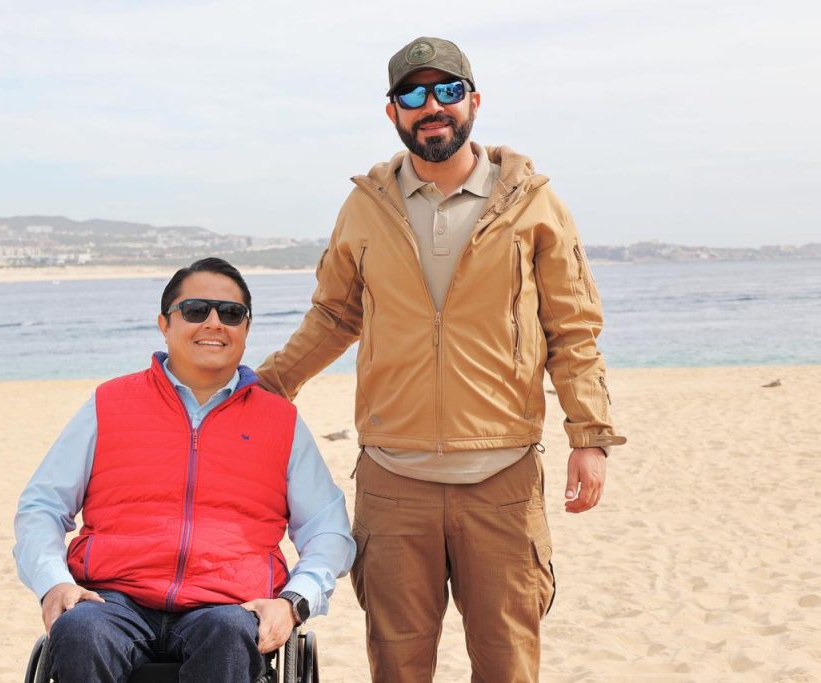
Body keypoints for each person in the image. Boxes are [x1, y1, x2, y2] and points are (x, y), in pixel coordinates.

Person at [256, 37, 626, 682]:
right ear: (393, 112)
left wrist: (589, 435)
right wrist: (264, 389)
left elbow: (571, 329)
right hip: (393, 482)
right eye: (413, 94)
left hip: (502, 478)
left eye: (448, 91)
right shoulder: (366, 206)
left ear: (474, 101)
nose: (432, 106)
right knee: (397, 667)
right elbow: (335, 316)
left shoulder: (533, 202)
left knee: (508, 665)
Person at [14, 257, 355, 683]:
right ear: (165, 324)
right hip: (112, 600)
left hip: (227, 605)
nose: (214, 323)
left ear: (246, 329)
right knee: (80, 630)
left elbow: (328, 529)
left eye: (231, 313)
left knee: (230, 633)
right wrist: (54, 583)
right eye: (195, 310)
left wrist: (293, 602)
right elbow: (42, 506)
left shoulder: (280, 421)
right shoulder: (109, 404)